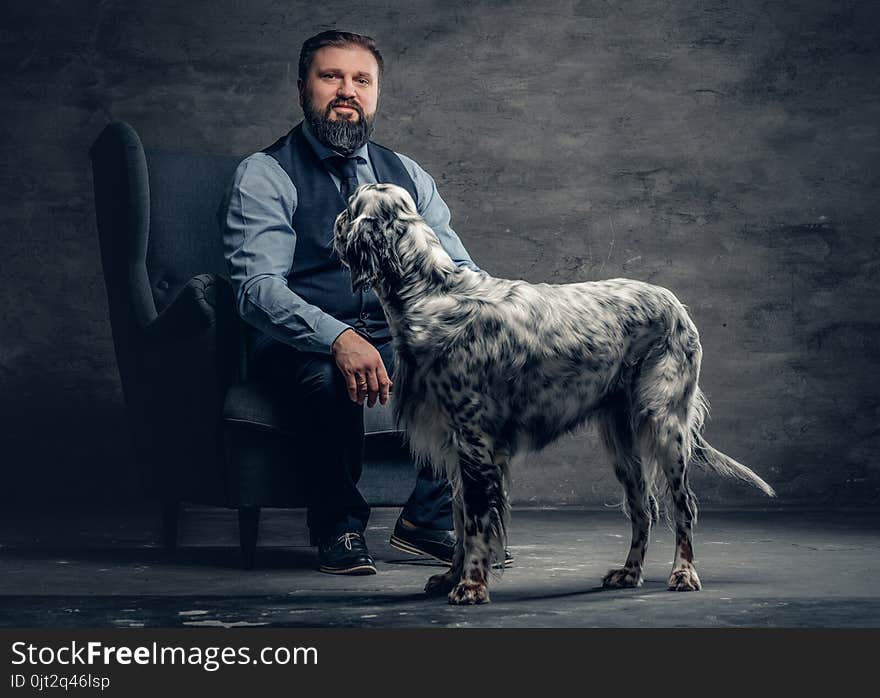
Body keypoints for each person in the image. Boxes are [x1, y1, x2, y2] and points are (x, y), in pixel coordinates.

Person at [221, 30, 499, 575]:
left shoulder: (408, 175)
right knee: (330, 379)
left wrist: (500, 316)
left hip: (396, 336)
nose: (347, 91)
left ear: (374, 94)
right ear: (303, 87)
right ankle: (339, 528)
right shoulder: (266, 174)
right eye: (331, 77)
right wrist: (339, 338)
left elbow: (460, 268)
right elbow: (257, 290)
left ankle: (427, 521)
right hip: (299, 342)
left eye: (361, 80)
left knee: (478, 366)